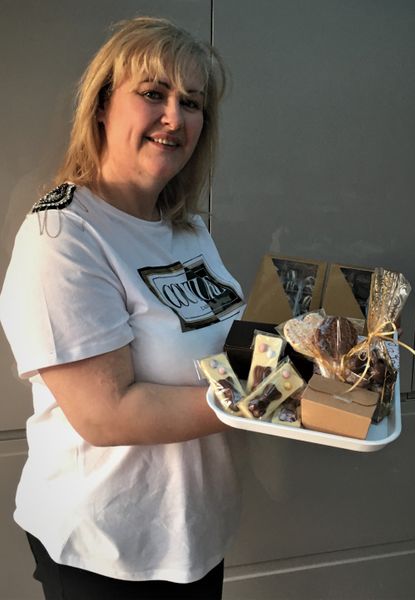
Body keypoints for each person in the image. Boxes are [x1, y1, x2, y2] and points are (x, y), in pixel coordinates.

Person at [0, 16, 245, 600]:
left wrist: (303, 356)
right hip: (107, 553)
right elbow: (106, 414)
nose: (174, 116)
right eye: (154, 94)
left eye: (191, 102)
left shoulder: (188, 230)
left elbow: (217, 350)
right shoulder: (63, 235)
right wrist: (273, 403)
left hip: (193, 538)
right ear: (104, 106)